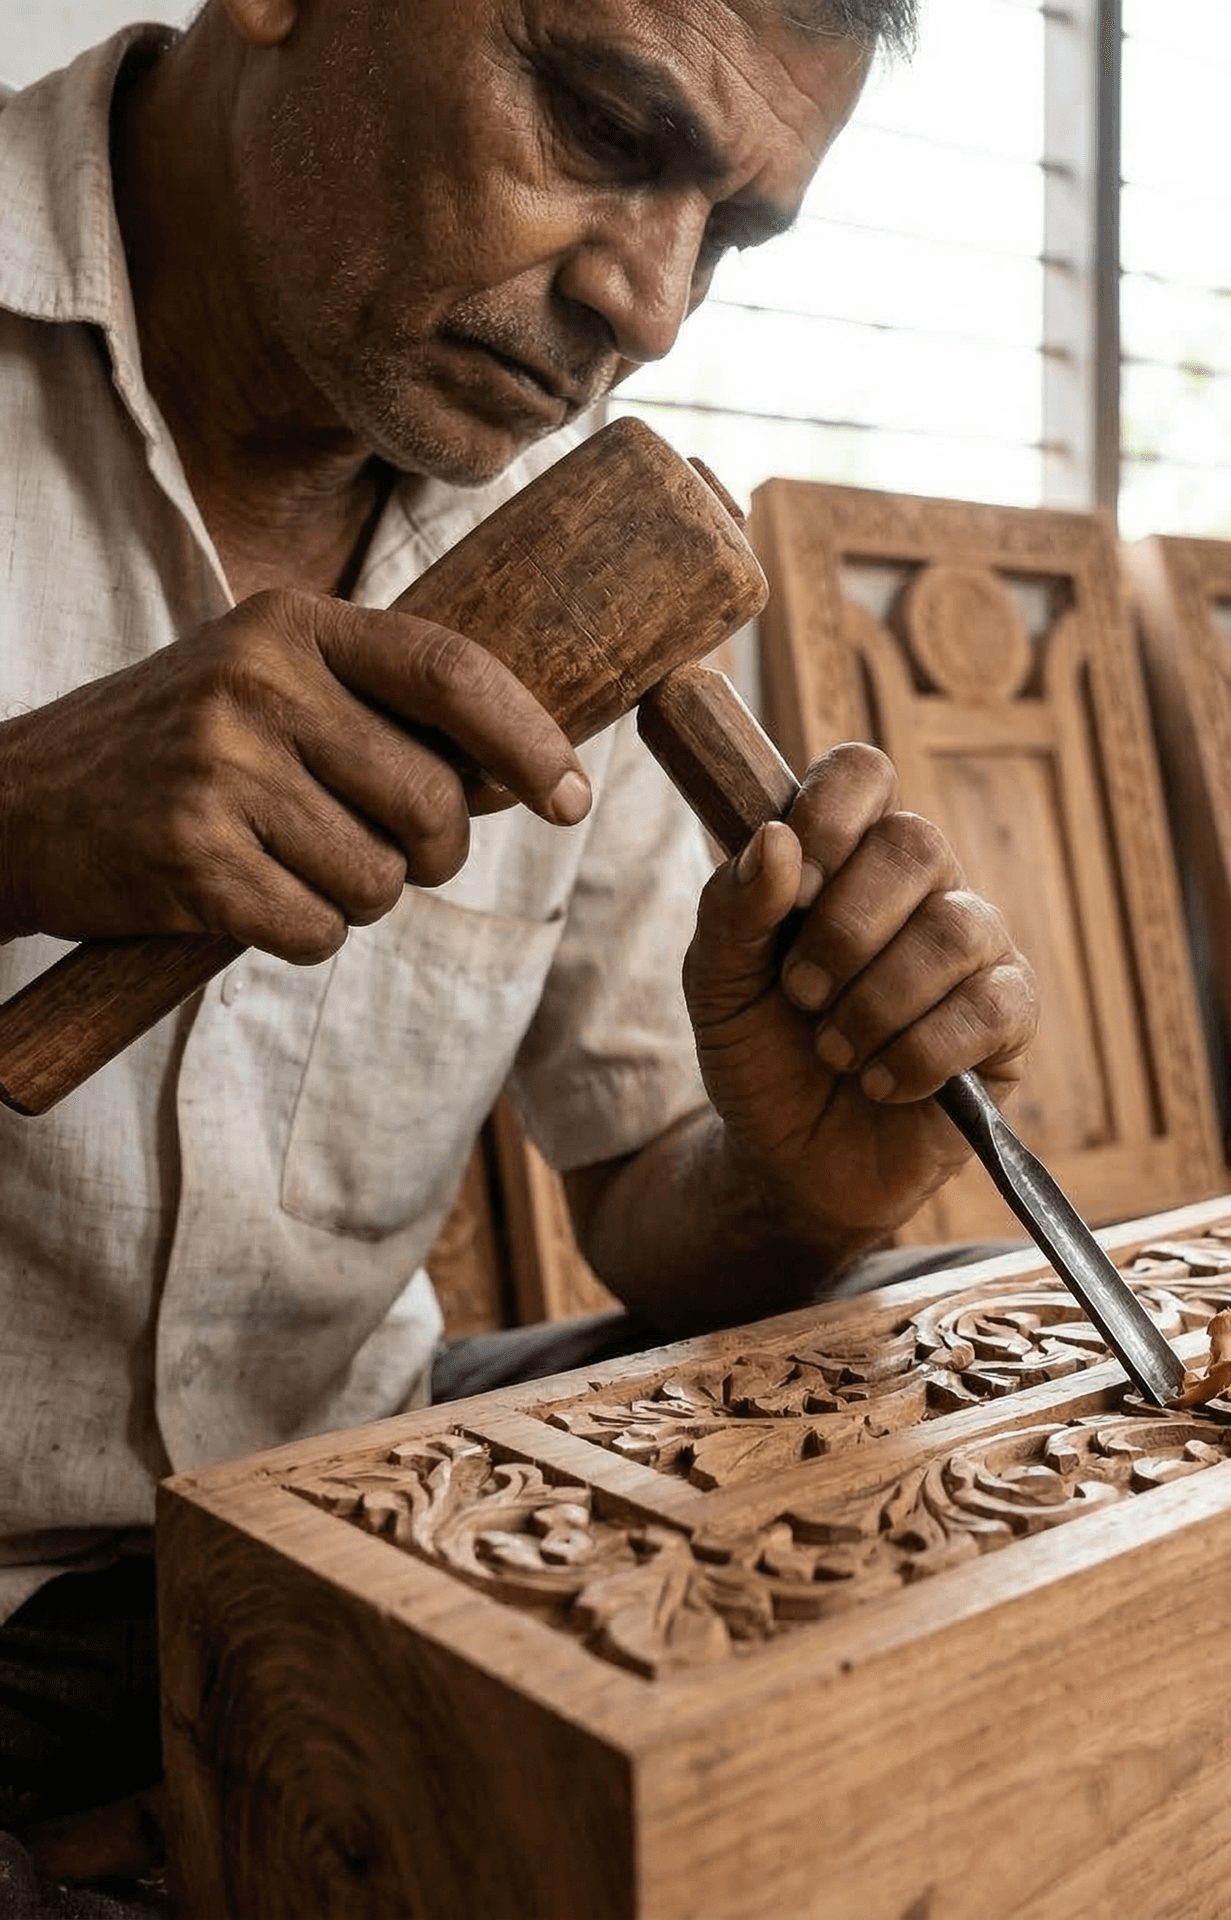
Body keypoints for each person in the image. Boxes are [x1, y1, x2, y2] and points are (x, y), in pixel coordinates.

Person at [0, 0, 1037, 1847]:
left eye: (727, 234)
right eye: (601, 125)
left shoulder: (586, 532)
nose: (652, 302)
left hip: (349, 1505)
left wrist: (802, 1186)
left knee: (966, 1378)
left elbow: (644, 1195)